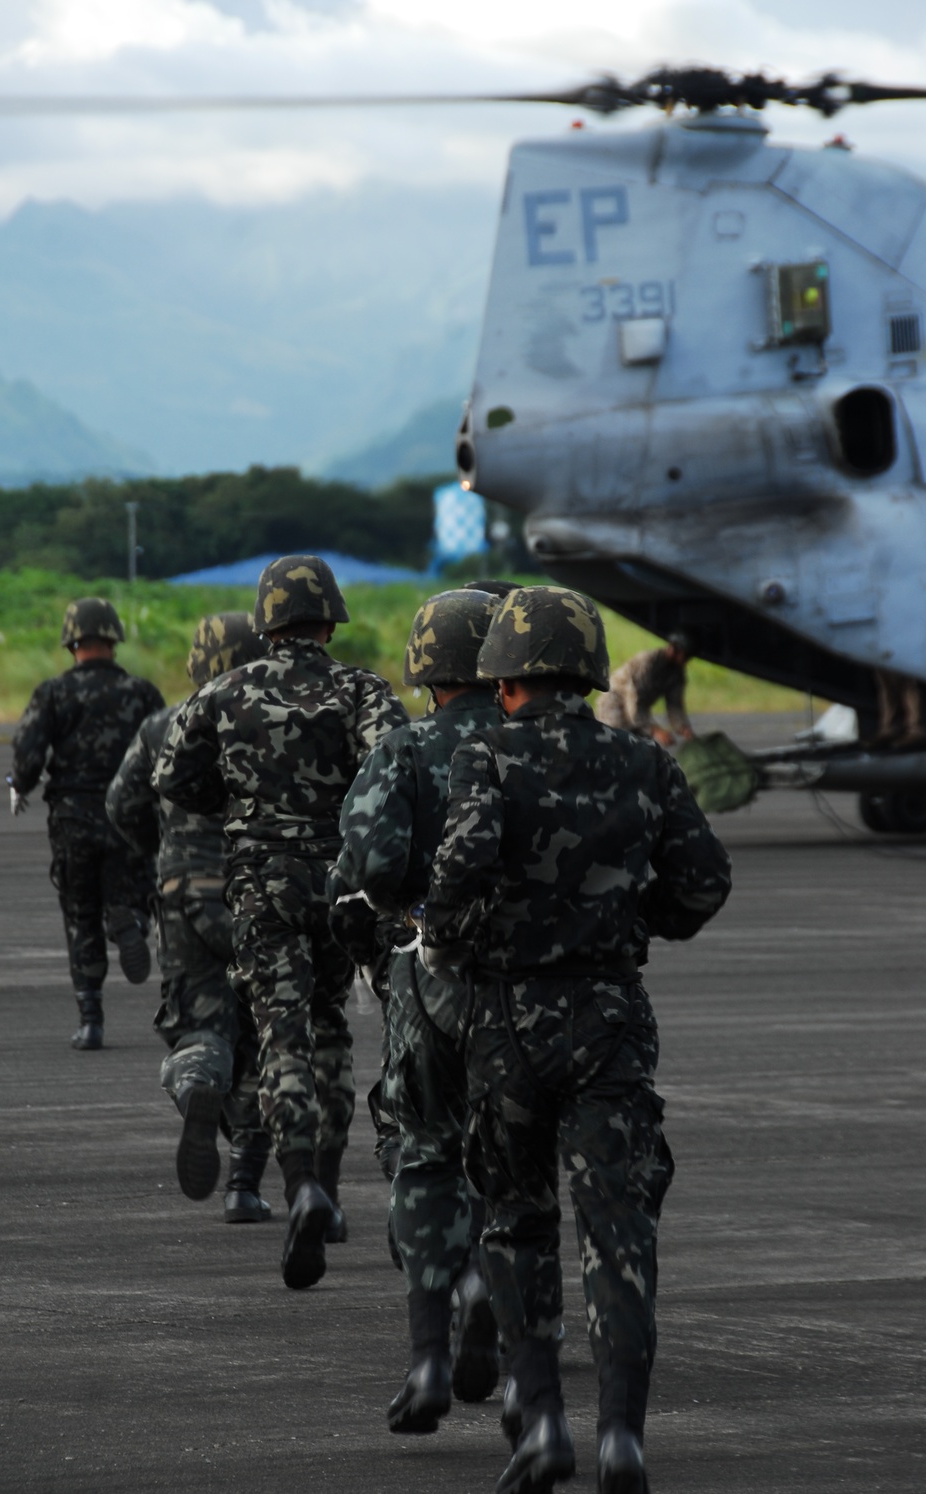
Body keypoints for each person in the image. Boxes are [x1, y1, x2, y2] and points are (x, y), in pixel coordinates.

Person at [423, 586, 731, 1494]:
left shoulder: (484, 756)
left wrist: (450, 935)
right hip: (610, 1021)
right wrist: (636, 922)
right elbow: (703, 884)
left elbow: (463, 864)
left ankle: (544, 1423)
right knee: (620, 1229)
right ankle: (623, 1437)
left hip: (508, 1024)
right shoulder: (643, 762)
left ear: (506, 678)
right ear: (591, 670)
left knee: (516, 1225)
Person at [152, 555, 408, 1290]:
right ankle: (325, 1184)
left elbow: (176, 779)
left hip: (259, 885)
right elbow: (393, 768)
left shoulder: (222, 692)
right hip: (340, 884)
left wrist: (244, 804)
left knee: (280, 1034)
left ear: (267, 622)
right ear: (330, 619)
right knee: (330, 1025)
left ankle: (298, 1182)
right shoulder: (361, 689)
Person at [329, 588, 503, 1434]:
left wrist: (405, 914)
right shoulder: (535, 745)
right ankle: (501, 1306)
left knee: (425, 1152)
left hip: (430, 981)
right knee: (517, 1160)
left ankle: (432, 1352)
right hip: (540, 989)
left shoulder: (403, 750)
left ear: (427, 668)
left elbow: (367, 860)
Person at [106, 613, 273, 1223]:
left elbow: (121, 804)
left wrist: (164, 850)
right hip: (257, 891)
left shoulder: (161, 726)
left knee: (199, 1026)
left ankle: (196, 1081)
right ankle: (244, 1187)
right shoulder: (268, 723)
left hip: (183, 893)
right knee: (261, 1035)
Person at [9, 597, 165, 1050]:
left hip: (73, 819)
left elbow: (28, 757)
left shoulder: (53, 693)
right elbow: (168, 749)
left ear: (71, 642)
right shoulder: (142, 692)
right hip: (130, 817)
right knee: (134, 889)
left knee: (79, 915)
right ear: (113, 639)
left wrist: (17, 784)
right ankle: (130, 919)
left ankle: (91, 1019)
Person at [596, 631, 695, 746]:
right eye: (686, 655)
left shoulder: (677, 673)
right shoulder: (647, 662)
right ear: (675, 649)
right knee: (617, 743)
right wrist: (655, 730)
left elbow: (674, 703)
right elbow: (635, 700)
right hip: (615, 703)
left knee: (642, 747)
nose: (688, 660)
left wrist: (683, 727)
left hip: (638, 709)